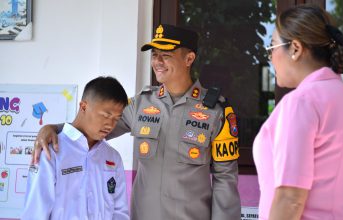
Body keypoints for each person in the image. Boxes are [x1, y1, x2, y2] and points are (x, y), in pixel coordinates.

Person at [32, 24, 241, 220]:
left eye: (166, 55)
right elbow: (91, 128)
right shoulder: (141, 103)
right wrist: (54, 128)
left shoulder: (216, 111)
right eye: (154, 55)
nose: (157, 62)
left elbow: (225, 180)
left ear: (189, 59)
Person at [253, 4, 343, 220]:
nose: (270, 58)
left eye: (272, 47)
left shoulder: (301, 102)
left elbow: (290, 199)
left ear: (295, 49)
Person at [22, 77, 130, 220]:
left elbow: (120, 211)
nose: (110, 124)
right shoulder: (52, 150)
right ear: (84, 106)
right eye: (106, 115)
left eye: (116, 118)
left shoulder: (112, 157)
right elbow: (35, 212)